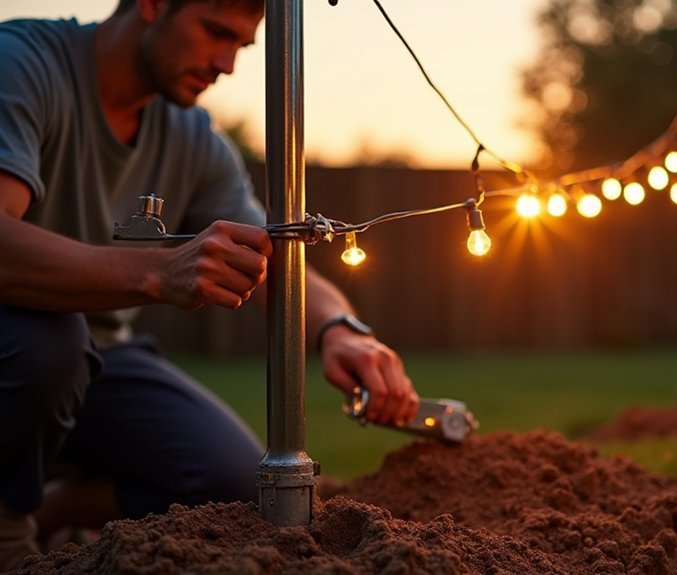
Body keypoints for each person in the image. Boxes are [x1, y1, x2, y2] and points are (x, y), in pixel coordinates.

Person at [0, 0, 420, 568]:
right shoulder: (23, 63)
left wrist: (340, 330)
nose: (226, 64)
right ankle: (8, 532)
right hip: (22, 347)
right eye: (214, 32)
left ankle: (53, 509)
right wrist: (158, 269)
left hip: (104, 358)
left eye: (242, 46)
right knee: (48, 346)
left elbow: (272, 257)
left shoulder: (191, 137)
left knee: (241, 489)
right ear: (151, 5)